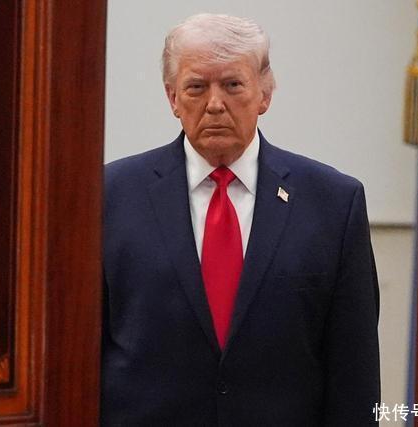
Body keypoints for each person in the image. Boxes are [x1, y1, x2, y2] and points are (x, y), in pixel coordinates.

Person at [102, 13, 380, 426]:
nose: (215, 104)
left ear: (265, 94)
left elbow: (354, 372)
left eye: (233, 85)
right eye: (197, 87)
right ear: (172, 98)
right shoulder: (111, 196)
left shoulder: (333, 203)